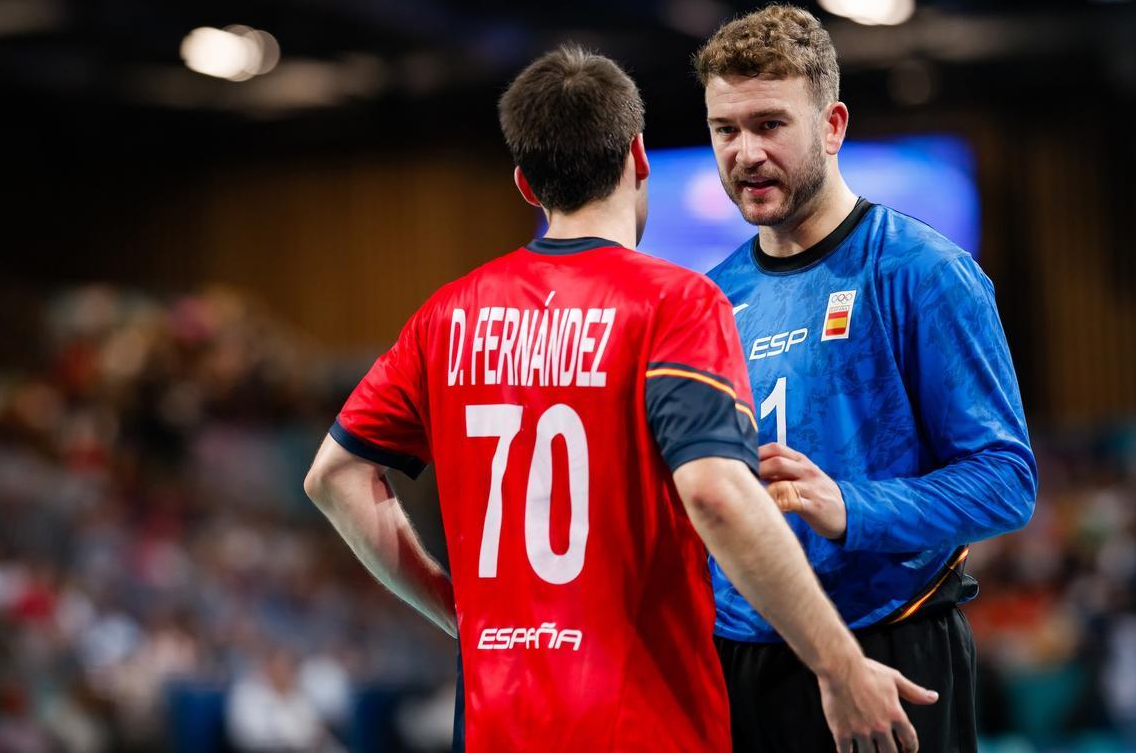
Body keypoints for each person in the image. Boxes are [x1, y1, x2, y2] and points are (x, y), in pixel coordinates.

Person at [303, 45, 937, 753]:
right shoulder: (677, 302)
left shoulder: (446, 317)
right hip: (639, 724)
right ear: (638, 156)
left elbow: (333, 477)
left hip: (494, 725)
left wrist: (457, 611)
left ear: (524, 183)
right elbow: (720, 496)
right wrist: (840, 665)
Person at [693, 4, 1038, 753]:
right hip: (739, 664)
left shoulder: (922, 272)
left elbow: (1007, 482)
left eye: (770, 124)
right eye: (726, 130)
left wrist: (846, 506)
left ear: (832, 125)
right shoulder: (708, 300)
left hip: (890, 649)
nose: (746, 153)